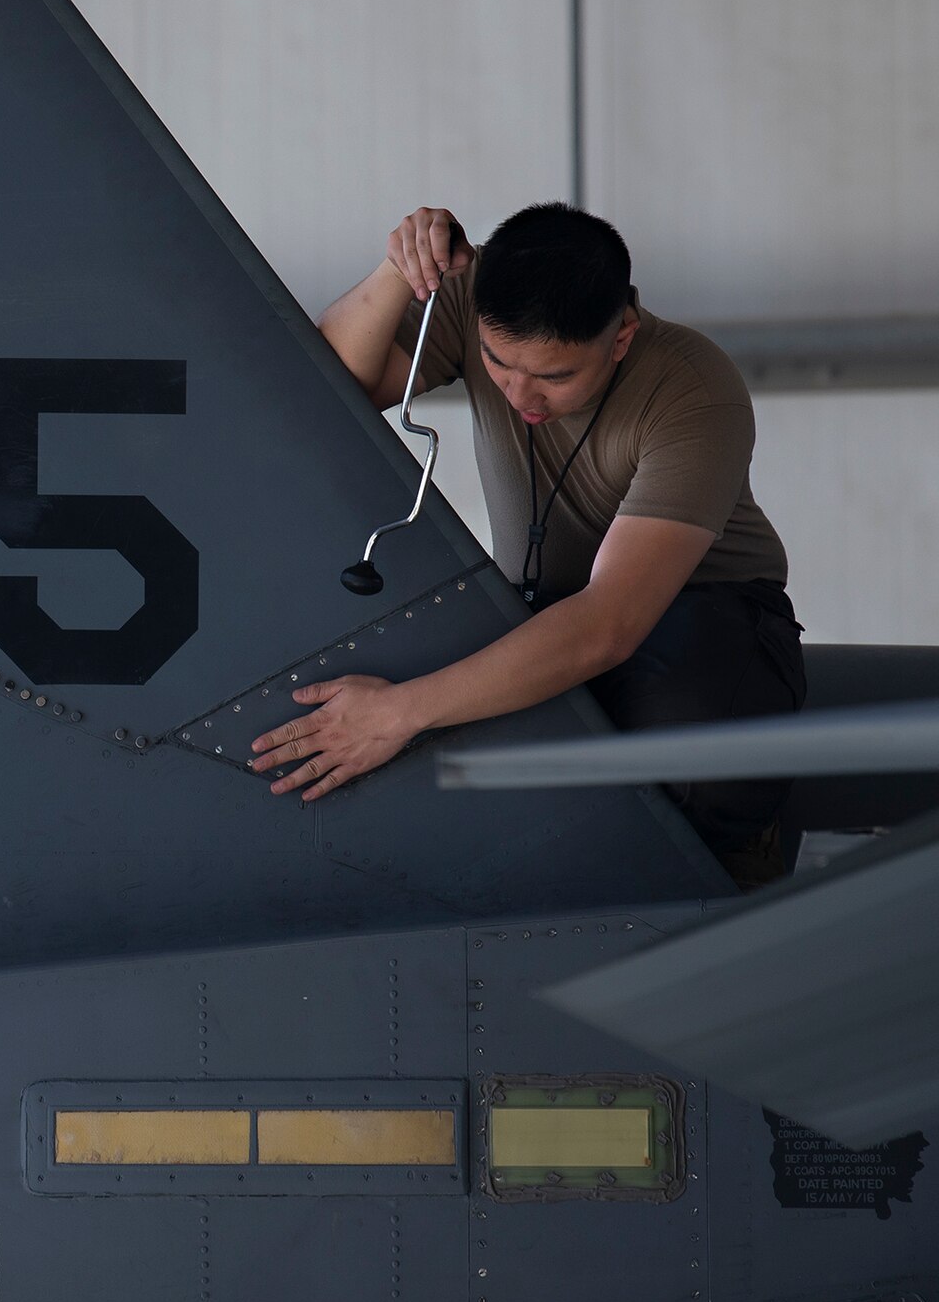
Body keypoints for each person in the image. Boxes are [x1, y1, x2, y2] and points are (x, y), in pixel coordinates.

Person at [251, 202, 804, 886]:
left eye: (556, 375)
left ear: (622, 336)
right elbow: (325, 394)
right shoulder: (473, 296)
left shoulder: (693, 391)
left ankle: (735, 877)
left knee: (687, 755)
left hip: (695, 619)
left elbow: (609, 624)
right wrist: (399, 271)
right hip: (543, 609)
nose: (520, 393)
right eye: (497, 363)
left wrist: (397, 714)